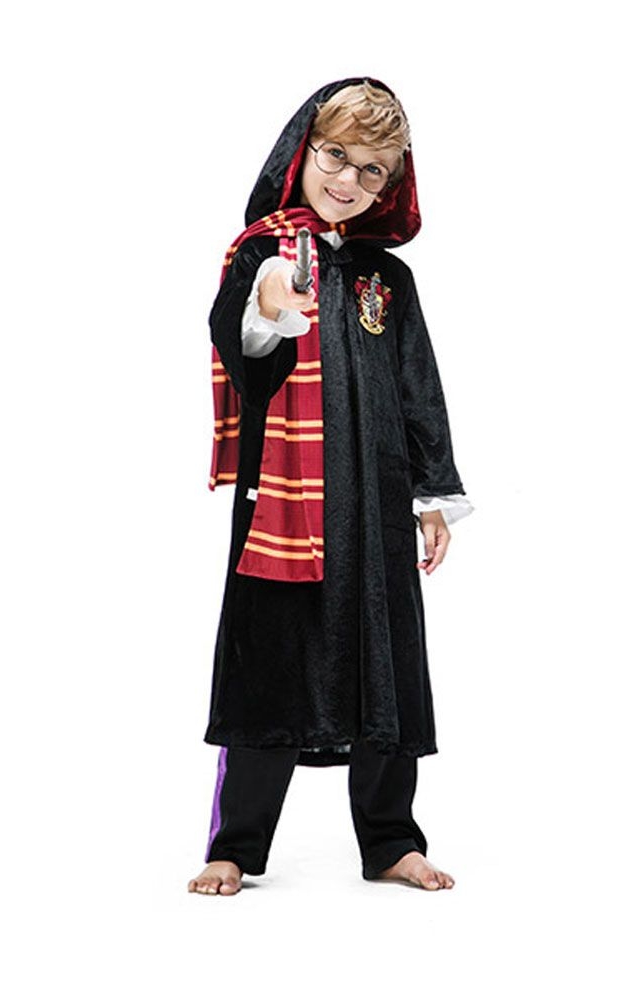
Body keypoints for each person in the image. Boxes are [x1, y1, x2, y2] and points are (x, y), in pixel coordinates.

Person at [189, 78, 473, 896]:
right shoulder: (265, 254)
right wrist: (271, 306)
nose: (348, 179)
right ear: (301, 153)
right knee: (269, 664)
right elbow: (240, 341)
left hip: (377, 505)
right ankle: (235, 844)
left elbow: (418, 385)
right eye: (336, 156)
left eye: (371, 170)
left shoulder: (388, 280)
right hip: (286, 508)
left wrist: (432, 495)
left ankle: (390, 841)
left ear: (391, 185)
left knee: (385, 666)